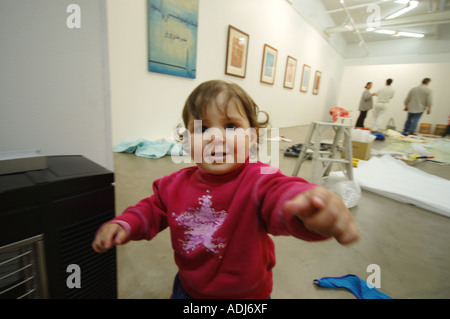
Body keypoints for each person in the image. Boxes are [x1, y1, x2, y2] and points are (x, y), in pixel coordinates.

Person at [92, 80, 360, 299]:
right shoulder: (173, 185)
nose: (215, 137)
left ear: (253, 137)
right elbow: (151, 209)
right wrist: (126, 223)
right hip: (188, 286)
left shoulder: (259, 178)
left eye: (231, 126)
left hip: (247, 295)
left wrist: (305, 206)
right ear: (186, 140)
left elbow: (281, 192)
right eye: (202, 128)